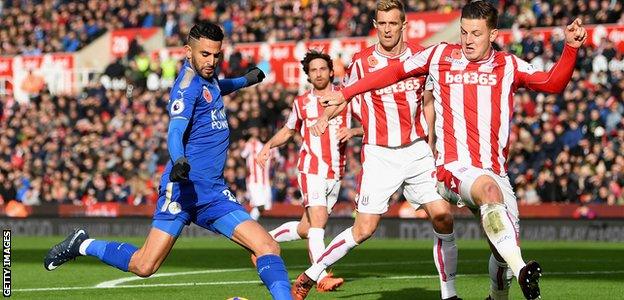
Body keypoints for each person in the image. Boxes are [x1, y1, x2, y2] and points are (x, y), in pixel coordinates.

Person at [317, 2, 588, 299]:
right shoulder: (440, 56)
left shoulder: (508, 65)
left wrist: (571, 48)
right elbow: (393, 71)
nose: (468, 40)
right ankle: (524, 269)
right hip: (453, 168)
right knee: (488, 193)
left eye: (476, 33)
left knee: (503, 251)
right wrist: (345, 93)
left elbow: (552, 83)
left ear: (493, 34)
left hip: (495, 172)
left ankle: (502, 289)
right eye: (463, 32)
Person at [43, 21, 293, 300]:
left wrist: (247, 80)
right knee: (144, 265)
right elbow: (175, 131)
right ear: (189, 51)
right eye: (205, 55)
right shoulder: (185, 88)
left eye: (216, 55)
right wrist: (179, 160)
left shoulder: (207, 80)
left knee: (268, 247)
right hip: (184, 188)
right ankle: (82, 244)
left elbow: (218, 87)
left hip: (212, 193)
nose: (211, 61)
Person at [291, 1, 459, 299]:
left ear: (403, 25)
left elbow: (429, 101)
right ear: (375, 24)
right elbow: (342, 97)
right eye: (382, 23)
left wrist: (431, 143)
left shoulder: (421, 57)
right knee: (364, 230)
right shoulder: (362, 62)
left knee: (443, 215)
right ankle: (310, 275)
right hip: (380, 155)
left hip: (417, 152)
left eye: (393, 23)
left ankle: (450, 294)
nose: (387, 29)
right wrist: (323, 117)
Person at [255, 49, 362, 293]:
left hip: (336, 172)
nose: (318, 73)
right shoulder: (301, 103)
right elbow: (289, 130)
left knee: (306, 228)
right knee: (319, 223)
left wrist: (353, 132)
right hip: (311, 168)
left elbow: (369, 126)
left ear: (331, 71)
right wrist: (268, 146)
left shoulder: (346, 98)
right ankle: (320, 276)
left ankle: (260, 243)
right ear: (308, 76)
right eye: (313, 70)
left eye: (322, 68)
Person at [241, 128, 276, 220]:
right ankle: (248, 225)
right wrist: (245, 168)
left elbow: (277, 161)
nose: (264, 135)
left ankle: (249, 224)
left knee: (263, 207)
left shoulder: (272, 147)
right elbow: (241, 156)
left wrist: (273, 175)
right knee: (260, 204)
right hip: (254, 180)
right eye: (262, 132)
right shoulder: (251, 144)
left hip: (266, 182)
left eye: (266, 132)